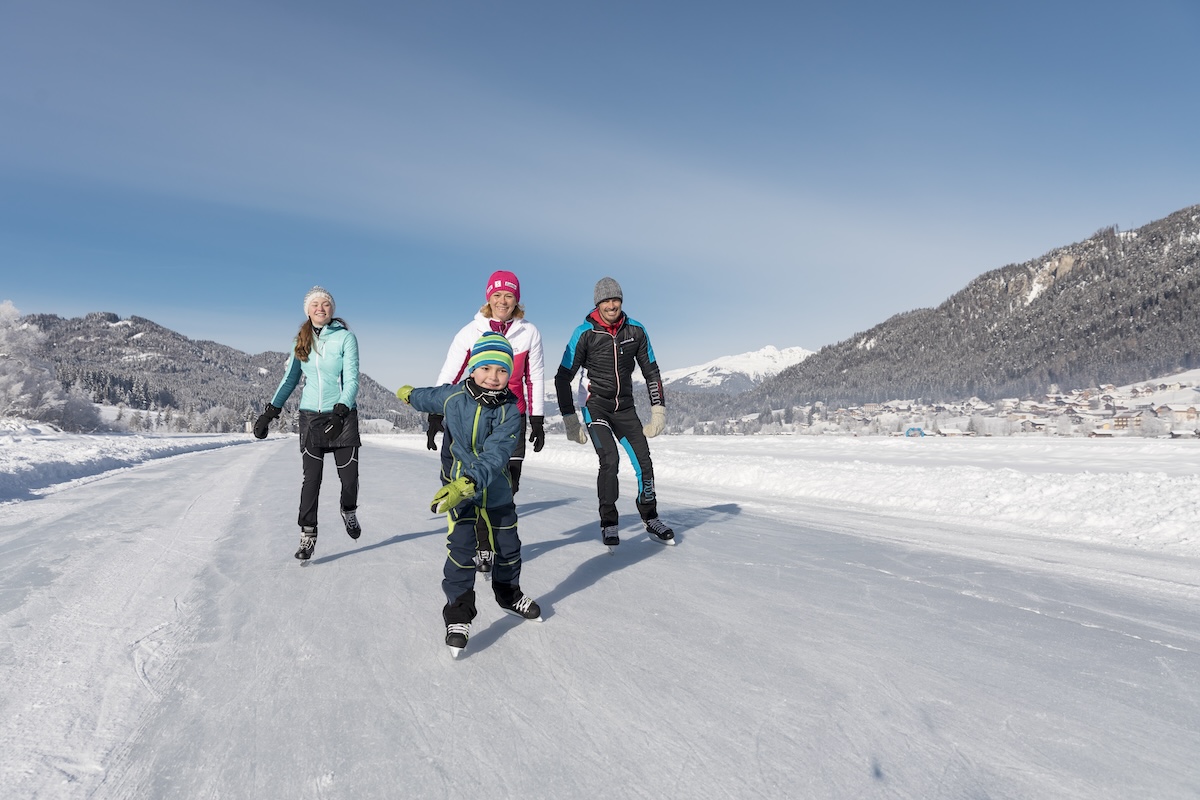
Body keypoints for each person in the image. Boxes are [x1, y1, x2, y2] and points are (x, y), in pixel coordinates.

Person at [396, 332, 542, 657]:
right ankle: (458, 614)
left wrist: (468, 483)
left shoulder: (510, 411)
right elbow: (430, 396)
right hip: (457, 490)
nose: (493, 377)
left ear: (509, 375)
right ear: (473, 369)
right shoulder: (454, 397)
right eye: (486, 368)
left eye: (502, 370)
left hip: (494, 491)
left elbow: (496, 454)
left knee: (509, 549)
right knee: (461, 551)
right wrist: (409, 395)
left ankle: (508, 595)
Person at [429, 270, 545, 576]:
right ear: (488, 298)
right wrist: (436, 414)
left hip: (511, 417)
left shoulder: (529, 332)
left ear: (516, 299)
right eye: (497, 295)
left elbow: (535, 377)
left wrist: (537, 417)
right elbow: (451, 373)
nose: (502, 301)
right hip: (472, 419)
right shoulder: (470, 331)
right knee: (477, 480)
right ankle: (483, 545)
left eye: (509, 295)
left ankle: (493, 536)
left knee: (508, 483)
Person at [554, 277, 675, 548]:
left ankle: (650, 515)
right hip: (595, 406)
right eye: (606, 300)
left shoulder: (636, 331)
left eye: (615, 299)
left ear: (621, 301)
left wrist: (658, 410)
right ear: (598, 303)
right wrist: (569, 418)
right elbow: (563, 377)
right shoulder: (584, 333)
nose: (611, 305)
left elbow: (651, 371)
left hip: (625, 407)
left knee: (644, 462)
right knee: (609, 459)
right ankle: (609, 521)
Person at [253, 286, 362, 560]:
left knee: (349, 480)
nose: (320, 308)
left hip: (342, 415)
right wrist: (270, 413)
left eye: (325, 304)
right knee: (311, 479)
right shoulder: (300, 340)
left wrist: (340, 411)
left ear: (332, 310)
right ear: (308, 310)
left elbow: (351, 379)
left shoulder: (346, 338)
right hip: (311, 417)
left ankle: (348, 510)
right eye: (315, 304)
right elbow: (289, 379)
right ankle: (307, 533)